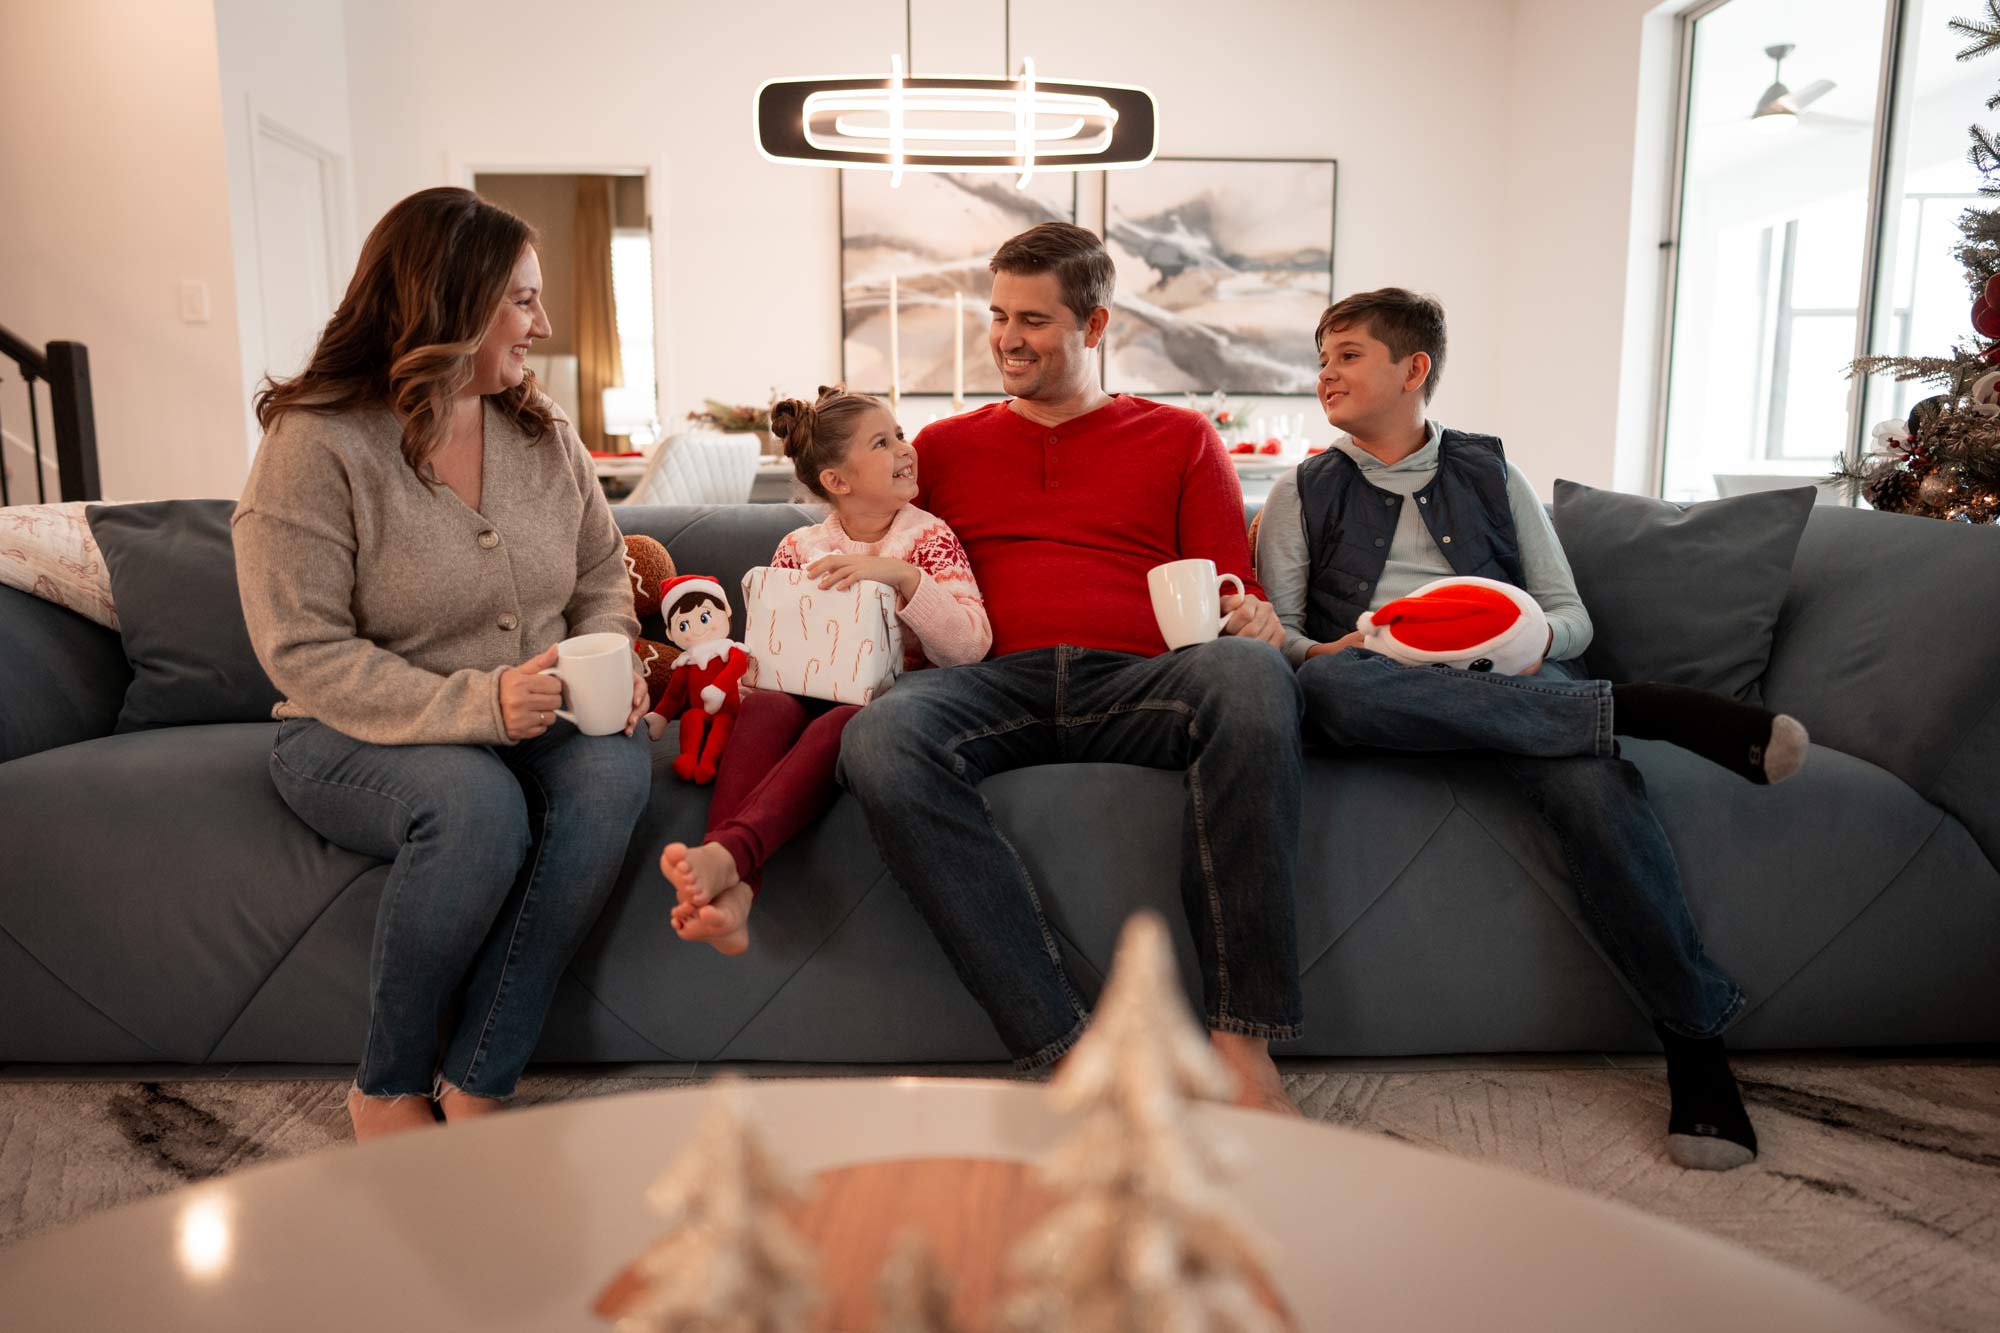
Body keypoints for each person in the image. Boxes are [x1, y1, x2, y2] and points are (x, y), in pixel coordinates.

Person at [1258, 287, 1811, 1169]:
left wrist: (1521, 640)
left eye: (1349, 353)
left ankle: (1695, 1043)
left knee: (1592, 785)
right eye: (1321, 355)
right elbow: (1283, 641)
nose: (1326, 371)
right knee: (1335, 692)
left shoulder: (1491, 473)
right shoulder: (1300, 491)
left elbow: (1570, 618)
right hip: (1370, 684)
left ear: (1415, 369)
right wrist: (1356, 646)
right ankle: (1638, 709)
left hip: (1512, 677)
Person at [838, 223, 1306, 1114]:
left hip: (1138, 682)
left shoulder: (1180, 438)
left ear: (1094, 326)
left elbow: (1226, 586)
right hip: (989, 682)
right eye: (998, 315)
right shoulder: (936, 448)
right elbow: (864, 536)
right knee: (882, 737)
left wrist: (1250, 614)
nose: (1008, 338)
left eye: (1035, 320)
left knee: (1250, 678)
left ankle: (1240, 1046)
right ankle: (1070, 1051)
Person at [233, 187, 652, 1142]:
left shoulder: (541, 435)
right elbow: (303, 650)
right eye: (522, 301)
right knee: (475, 807)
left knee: (614, 772)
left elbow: (599, 571)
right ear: (448, 302)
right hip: (354, 731)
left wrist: (613, 660)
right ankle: (385, 1086)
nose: (541, 325)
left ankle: (478, 1076)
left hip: (534, 711)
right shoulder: (317, 443)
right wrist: (481, 702)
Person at [662, 386, 993, 955]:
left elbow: (969, 649)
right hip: (802, 687)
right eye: (882, 442)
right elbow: (770, 650)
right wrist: (748, 674)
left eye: (901, 435)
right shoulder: (799, 547)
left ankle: (730, 857)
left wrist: (903, 577)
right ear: (838, 481)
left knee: (840, 721)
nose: (905, 449)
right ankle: (734, 890)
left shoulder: (928, 539)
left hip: (889, 698)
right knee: (765, 707)